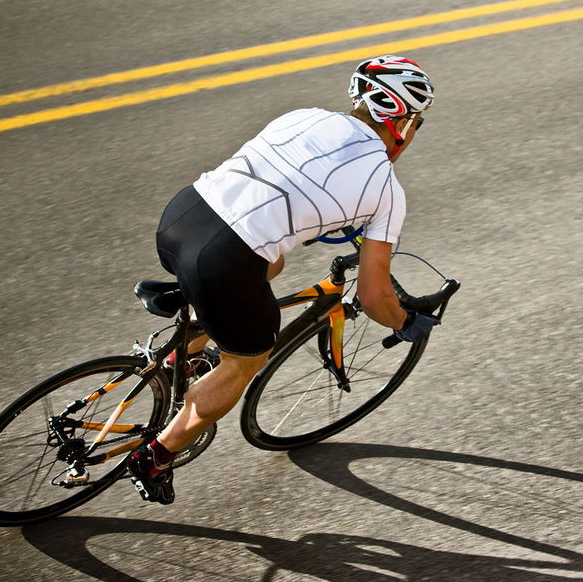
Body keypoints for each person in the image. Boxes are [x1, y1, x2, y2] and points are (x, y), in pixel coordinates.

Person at [126, 55, 440, 504]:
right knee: (247, 359)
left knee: (269, 263)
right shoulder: (385, 189)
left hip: (182, 217)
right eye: (415, 121)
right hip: (222, 260)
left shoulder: (302, 117)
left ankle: (185, 353)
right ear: (401, 120)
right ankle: (155, 456)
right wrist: (405, 323)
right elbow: (373, 296)